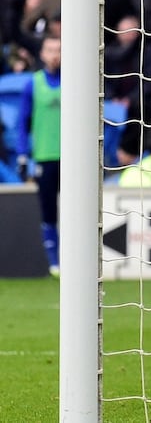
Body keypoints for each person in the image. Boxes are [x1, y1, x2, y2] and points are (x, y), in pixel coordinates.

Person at [14, 34, 61, 275]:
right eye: (51, 50)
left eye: (59, 50)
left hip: (72, 159)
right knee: (49, 210)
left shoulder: (74, 81)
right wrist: (23, 154)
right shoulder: (34, 83)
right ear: (42, 54)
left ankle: (76, 259)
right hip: (44, 155)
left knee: (77, 210)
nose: (55, 55)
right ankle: (55, 262)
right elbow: (22, 122)